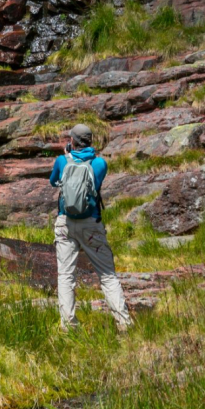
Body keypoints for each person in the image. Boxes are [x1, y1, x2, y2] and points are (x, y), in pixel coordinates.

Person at [49, 123, 132, 332]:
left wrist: (64, 157)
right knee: (107, 275)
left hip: (66, 224)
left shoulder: (61, 161)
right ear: (91, 141)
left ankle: (69, 326)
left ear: (72, 141)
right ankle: (124, 324)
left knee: (66, 276)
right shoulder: (100, 164)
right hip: (91, 225)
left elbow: (53, 182)